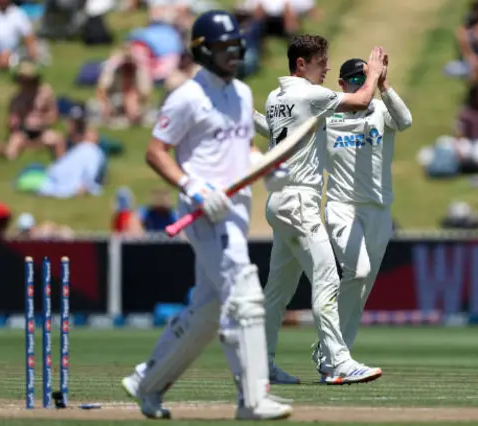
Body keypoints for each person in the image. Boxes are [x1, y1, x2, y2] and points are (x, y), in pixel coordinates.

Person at [119, 10, 293, 421]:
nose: (231, 53)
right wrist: (192, 186)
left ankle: (147, 384)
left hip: (235, 207)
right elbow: (155, 151)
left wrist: (267, 166)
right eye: (222, 47)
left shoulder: (244, 95)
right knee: (244, 292)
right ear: (202, 51)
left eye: (235, 46)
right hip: (202, 211)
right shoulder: (186, 97)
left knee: (209, 309)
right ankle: (252, 400)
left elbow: (241, 149)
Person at [258, 34, 387, 385]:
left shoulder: (274, 97)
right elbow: (361, 101)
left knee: (277, 292)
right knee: (328, 278)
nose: (327, 68)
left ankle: (261, 364)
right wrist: (373, 72)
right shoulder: (308, 93)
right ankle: (338, 362)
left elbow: (278, 133)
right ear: (301, 64)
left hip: (278, 201)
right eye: (321, 62)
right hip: (300, 201)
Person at [308, 57, 412, 381]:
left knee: (362, 285)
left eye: (363, 79)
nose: (358, 85)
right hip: (340, 205)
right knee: (359, 269)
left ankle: (332, 355)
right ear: (341, 85)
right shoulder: (328, 114)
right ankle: (333, 355)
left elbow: (405, 121)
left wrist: (383, 85)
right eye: (353, 80)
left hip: (378, 209)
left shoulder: (380, 111)